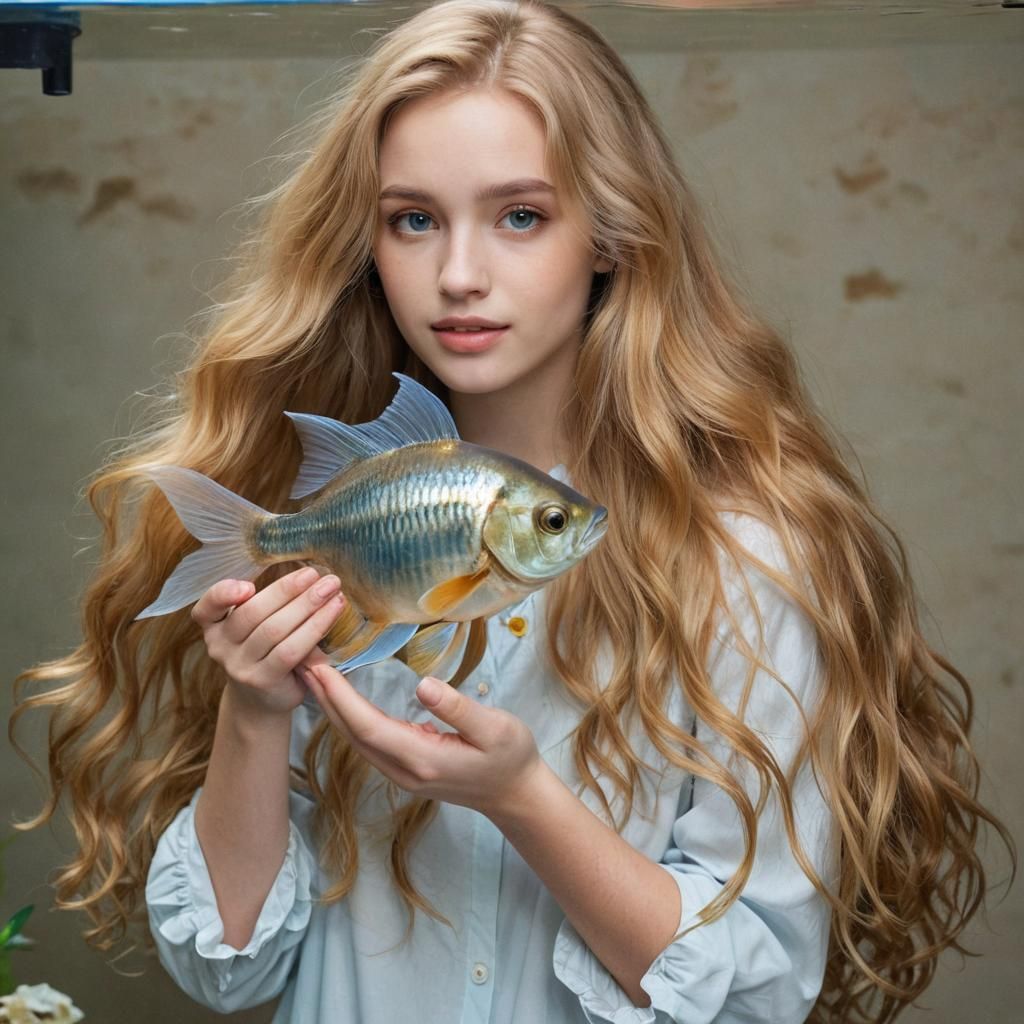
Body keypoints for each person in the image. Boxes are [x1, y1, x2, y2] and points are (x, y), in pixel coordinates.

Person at [10, 1, 1014, 1021]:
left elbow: (759, 995)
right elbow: (226, 970)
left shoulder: (746, 560)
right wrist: (256, 711)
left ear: (612, 234)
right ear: (367, 244)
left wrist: (521, 798)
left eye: (520, 216)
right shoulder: (338, 527)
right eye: (413, 219)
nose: (457, 275)